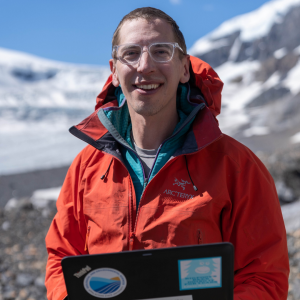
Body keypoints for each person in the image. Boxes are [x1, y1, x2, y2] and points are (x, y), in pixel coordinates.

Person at [45, 7, 289, 300]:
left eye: (161, 51)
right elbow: (61, 259)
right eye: (131, 53)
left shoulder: (236, 166)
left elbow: (264, 275)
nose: (145, 66)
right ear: (113, 71)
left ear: (184, 68)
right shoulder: (87, 167)